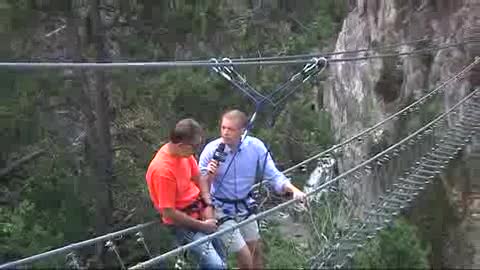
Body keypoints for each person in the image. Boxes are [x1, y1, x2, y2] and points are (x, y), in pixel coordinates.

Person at [199, 109, 306, 269]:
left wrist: (294, 190)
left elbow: (273, 174)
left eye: (231, 129)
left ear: (242, 131)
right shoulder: (211, 150)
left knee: (256, 252)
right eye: (223, 128)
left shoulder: (255, 147)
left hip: (244, 207)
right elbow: (200, 187)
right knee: (245, 257)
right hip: (220, 209)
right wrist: (210, 175)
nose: (225, 133)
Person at [145, 118, 225, 269]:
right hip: (183, 224)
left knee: (221, 259)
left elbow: (198, 178)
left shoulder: (184, 155)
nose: (196, 151)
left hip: (200, 212)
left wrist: (208, 203)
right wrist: (202, 226)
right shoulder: (163, 170)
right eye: (194, 147)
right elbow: (168, 212)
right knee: (216, 266)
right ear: (181, 145)